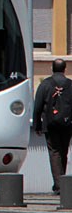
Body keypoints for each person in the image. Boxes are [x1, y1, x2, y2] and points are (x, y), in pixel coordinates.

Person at [34, 59, 72, 195]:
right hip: (67, 124)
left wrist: (37, 125)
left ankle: (59, 185)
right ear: (65, 69)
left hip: (50, 125)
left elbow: (37, 106)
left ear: (52, 68)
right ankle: (62, 183)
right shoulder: (70, 85)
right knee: (63, 152)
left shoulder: (45, 84)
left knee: (54, 152)